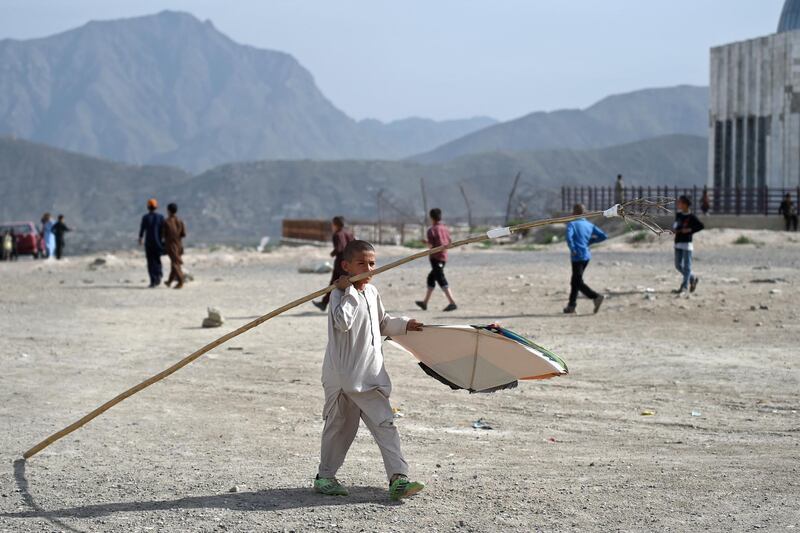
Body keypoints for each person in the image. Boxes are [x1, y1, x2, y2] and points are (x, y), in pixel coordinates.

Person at [315, 240, 425, 501]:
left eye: (372, 263)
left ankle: (399, 478)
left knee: (385, 423)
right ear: (346, 266)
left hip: (370, 375)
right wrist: (349, 290)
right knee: (339, 429)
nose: (369, 268)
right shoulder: (338, 295)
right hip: (343, 378)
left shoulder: (372, 292)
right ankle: (325, 477)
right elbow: (343, 322)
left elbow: (382, 322)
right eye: (362, 264)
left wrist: (405, 325)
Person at [564, 204, 607, 314]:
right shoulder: (589, 224)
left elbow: (569, 238)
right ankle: (571, 306)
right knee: (576, 281)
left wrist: (573, 248)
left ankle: (595, 297)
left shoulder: (572, 224)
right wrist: (590, 242)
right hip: (586, 255)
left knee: (576, 281)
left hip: (577, 256)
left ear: (574, 212)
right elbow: (603, 236)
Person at [415, 208, 457, 312]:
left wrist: (425, 242)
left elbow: (431, 245)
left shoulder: (432, 230)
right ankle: (425, 303)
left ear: (431, 217)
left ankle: (452, 302)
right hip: (443, 257)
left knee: (440, 278)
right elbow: (449, 242)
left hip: (436, 258)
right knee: (431, 278)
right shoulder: (445, 228)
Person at [313, 216, 354, 311]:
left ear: (335, 225)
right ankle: (324, 303)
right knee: (335, 283)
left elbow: (340, 248)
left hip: (341, 262)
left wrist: (332, 253)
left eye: (333, 224)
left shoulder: (337, 234)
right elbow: (354, 245)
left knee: (345, 283)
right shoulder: (349, 233)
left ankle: (352, 303)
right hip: (350, 261)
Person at [672, 195, 705, 294]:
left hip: (687, 243)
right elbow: (676, 225)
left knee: (687, 266)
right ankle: (692, 278)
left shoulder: (692, 217)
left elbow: (701, 226)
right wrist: (675, 229)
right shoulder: (678, 215)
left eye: (680, 202)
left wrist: (690, 230)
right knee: (678, 265)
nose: (678, 204)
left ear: (685, 204)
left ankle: (685, 287)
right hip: (678, 242)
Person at [138, 198, 165, 288]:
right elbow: (163, 230)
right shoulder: (160, 217)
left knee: (150, 262)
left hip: (149, 243)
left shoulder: (145, 217)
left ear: (148, 207)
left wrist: (140, 238)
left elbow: (142, 229)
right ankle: (159, 275)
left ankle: (153, 281)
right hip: (158, 243)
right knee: (157, 260)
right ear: (156, 207)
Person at [162, 203, 187, 289]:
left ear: (168, 211)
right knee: (174, 262)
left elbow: (163, 235)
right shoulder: (180, 221)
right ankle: (169, 281)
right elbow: (184, 234)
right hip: (179, 245)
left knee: (175, 264)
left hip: (171, 246)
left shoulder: (166, 221)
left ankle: (181, 281)